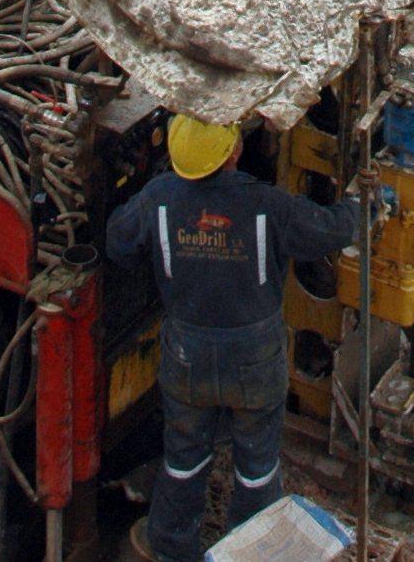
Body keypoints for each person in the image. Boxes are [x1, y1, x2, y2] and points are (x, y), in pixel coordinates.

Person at [109, 115, 361, 562]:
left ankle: (168, 545)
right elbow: (333, 229)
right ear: (233, 152)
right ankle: (249, 548)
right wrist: (367, 203)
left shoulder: (159, 199)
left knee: (184, 457)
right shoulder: (268, 205)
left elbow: (118, 243)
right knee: (257, 467)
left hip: (187, 356)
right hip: (255, 359)